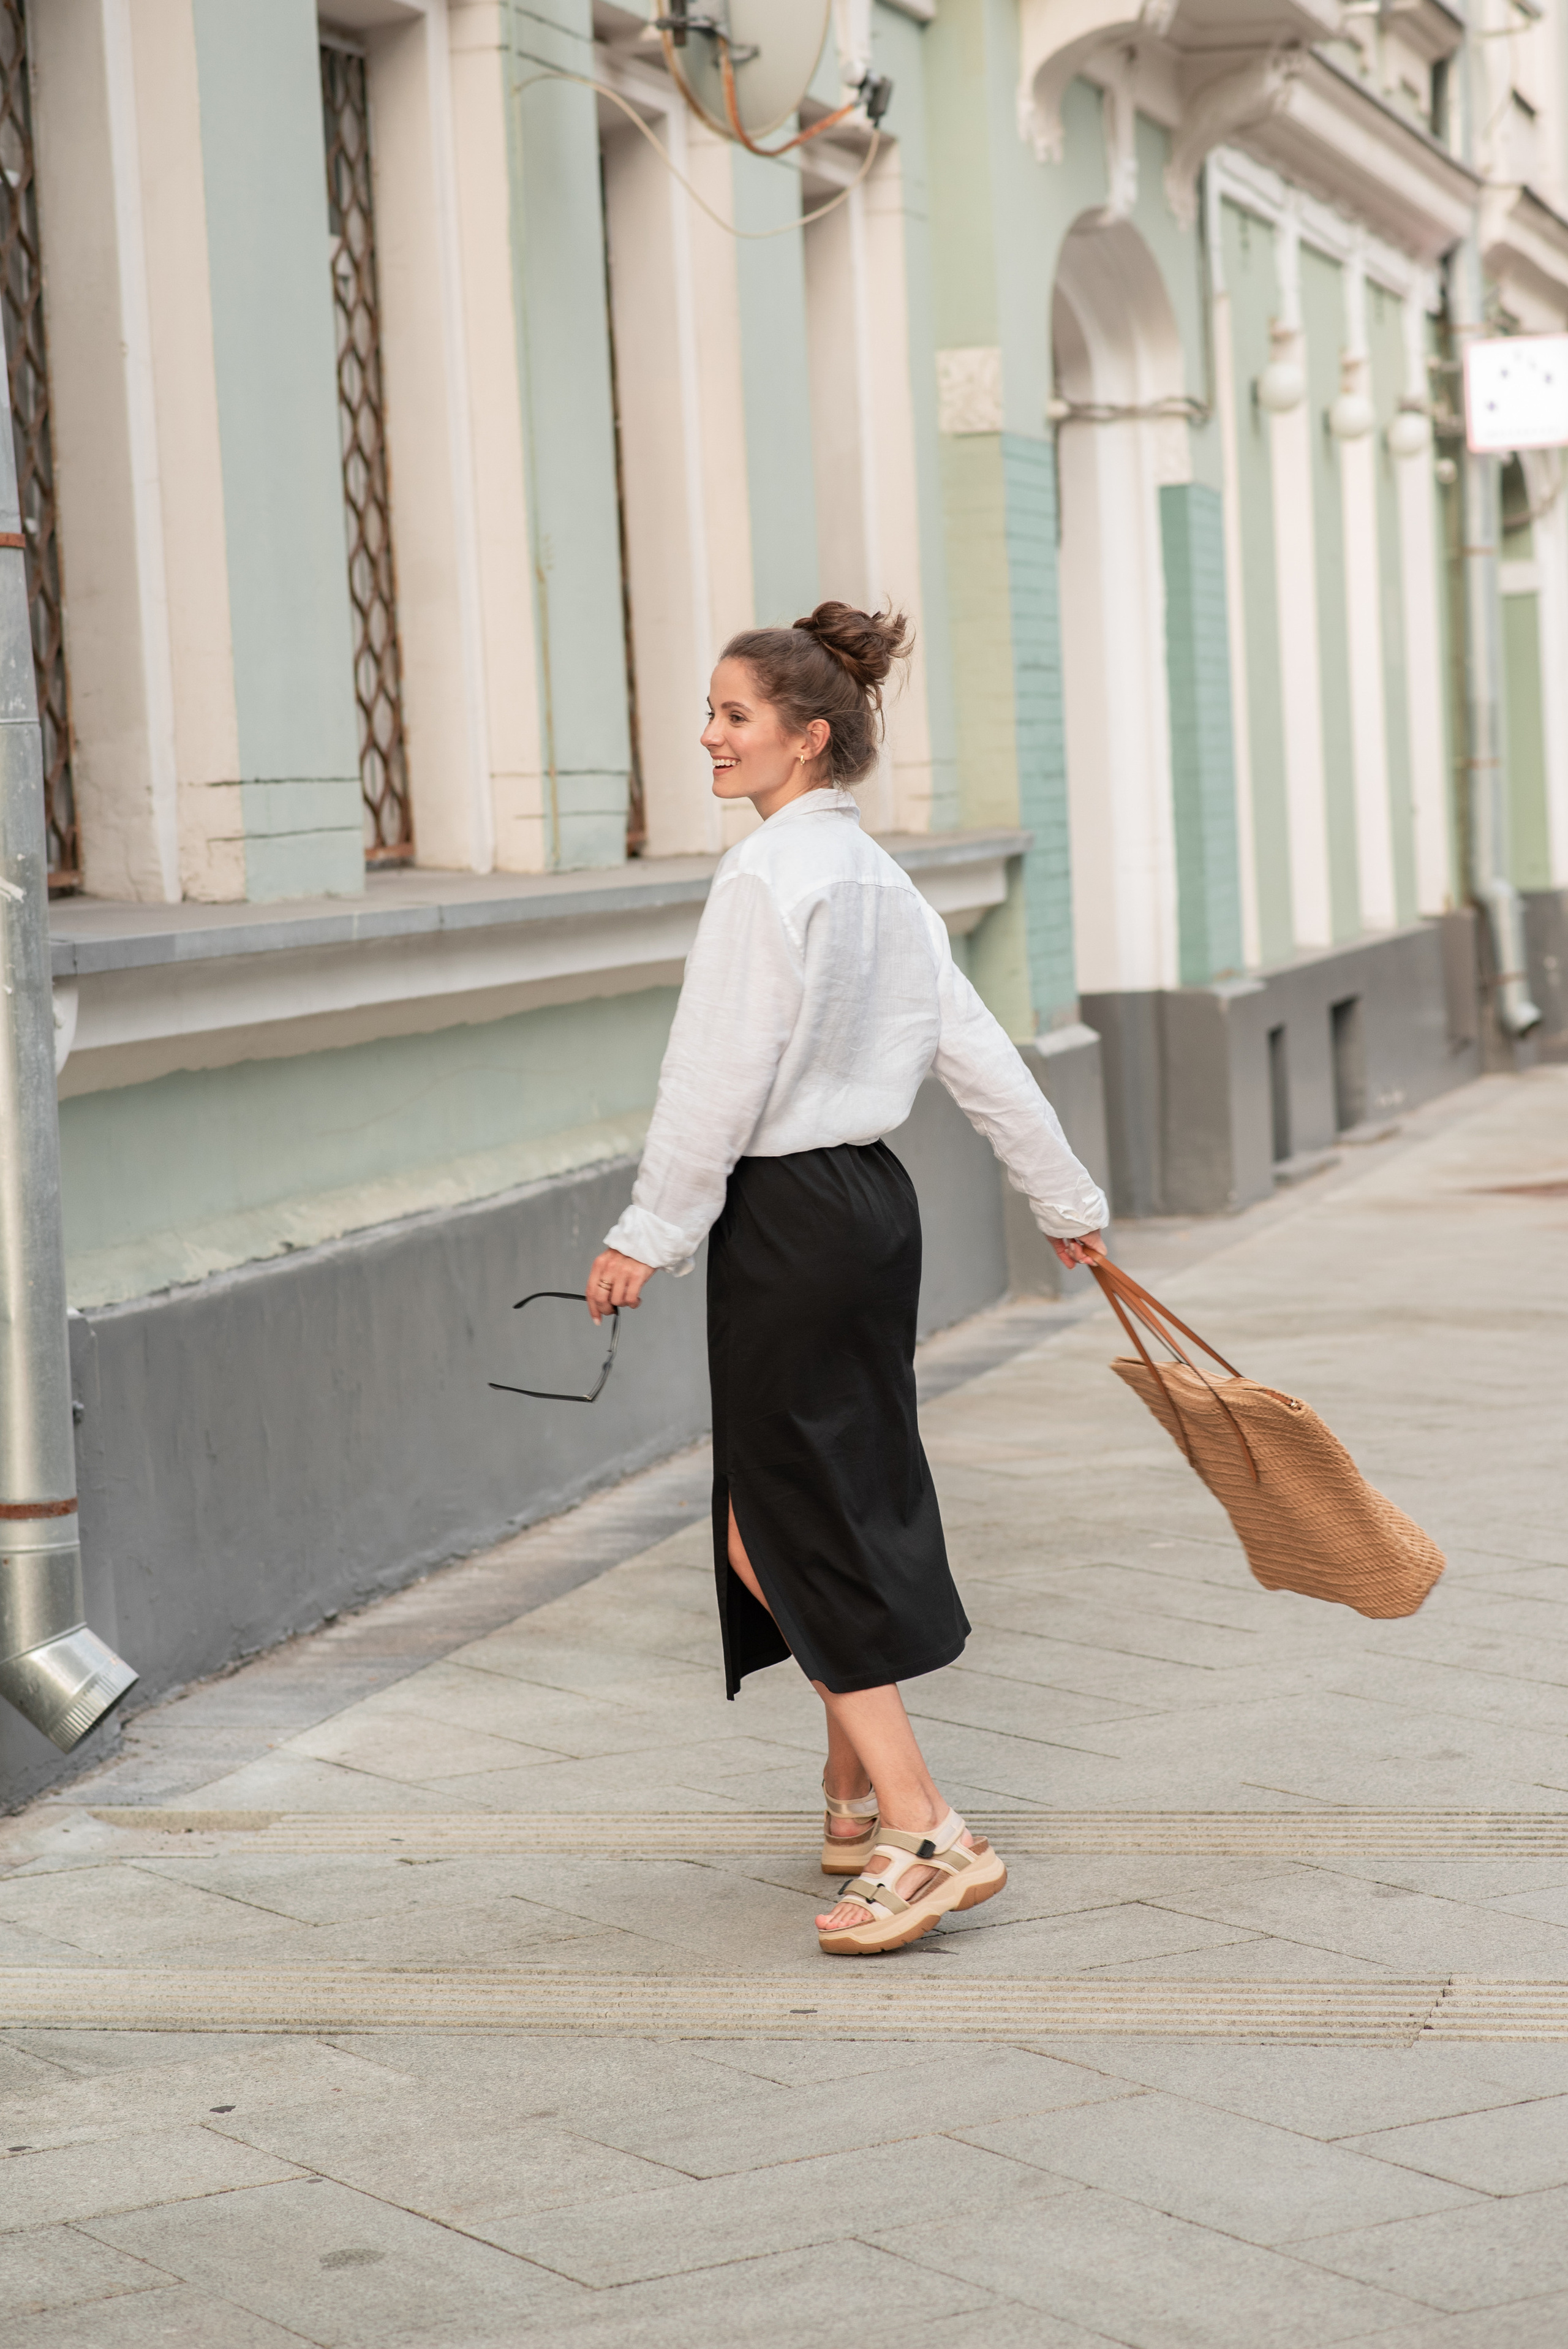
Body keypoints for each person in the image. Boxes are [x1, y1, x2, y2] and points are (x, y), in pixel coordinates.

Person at [587, 603, 1108, 1956]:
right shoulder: (879, 881)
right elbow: (978, 1049)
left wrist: (647, 1229)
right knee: (833, 1477)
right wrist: (1064, 1201)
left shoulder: (765, 880)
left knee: (773, 1519)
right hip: (875, 1210)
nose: (707, 735)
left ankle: (929, 1828)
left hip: (786, 1219)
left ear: (806, 738)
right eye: (709, 711)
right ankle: (846, 1795)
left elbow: (715, 1077)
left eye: (733, 716)